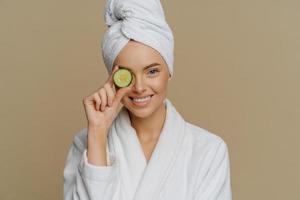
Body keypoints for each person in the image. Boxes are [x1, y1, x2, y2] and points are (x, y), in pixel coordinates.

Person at [63, 0, 232, 199]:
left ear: (169, 70)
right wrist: (98, 133)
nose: (140, 87)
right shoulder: (86, 143)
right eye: (127, 74)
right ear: (112, 78)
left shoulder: (209, 150)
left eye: (152, 71)